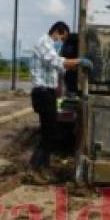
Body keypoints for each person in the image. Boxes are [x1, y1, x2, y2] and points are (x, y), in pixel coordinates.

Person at [29, 21, 92, 173]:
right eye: (62, 39)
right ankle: (36, 168)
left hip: (47, 93)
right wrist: (79, 61)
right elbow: (57, 62)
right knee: (50, 133)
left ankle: (41, 166)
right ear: (57, 32)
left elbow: (58, 70)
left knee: (49, 132)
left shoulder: (50, 46)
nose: (61, 43)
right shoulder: (44, 42)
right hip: (42, 93)